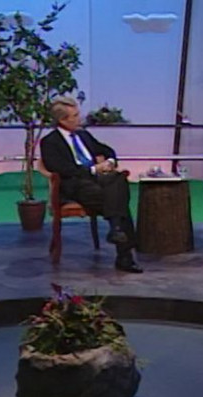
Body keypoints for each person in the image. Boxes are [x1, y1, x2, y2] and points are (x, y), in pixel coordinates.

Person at [40, 96, 142, 273]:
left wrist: (110, 162)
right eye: (75, 116)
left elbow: (106, 150)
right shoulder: (50, 142)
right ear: (62, 120)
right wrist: (94, 169)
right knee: (118, 201)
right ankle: (124, 253)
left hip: (98, 180)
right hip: (75, 185)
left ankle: (116, 230)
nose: (79, 118)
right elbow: (63, 169)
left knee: (118, 179)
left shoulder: (83, 135)